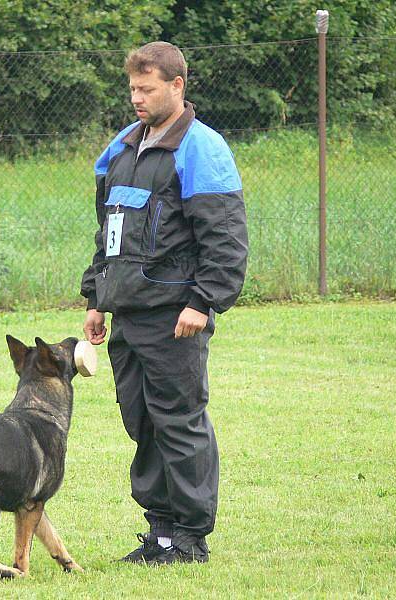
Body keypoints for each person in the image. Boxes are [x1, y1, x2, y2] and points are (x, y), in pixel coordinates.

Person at [80, 41, 248, 565]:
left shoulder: (201, 148)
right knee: (142, 422)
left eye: (147, 89)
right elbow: (110, 231)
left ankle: (191, 536)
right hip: (129, 312)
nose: (137, 98)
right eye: (133, 88)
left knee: (179, 420)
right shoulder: (123, 147)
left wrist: (204, 302)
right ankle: (160, 532)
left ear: (177, 86)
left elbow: (224, 237)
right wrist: (96, 296)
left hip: (176, 315)